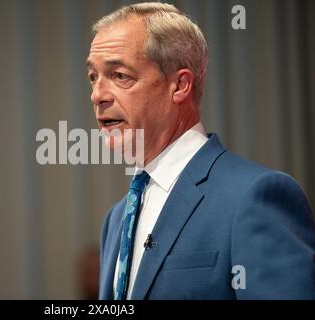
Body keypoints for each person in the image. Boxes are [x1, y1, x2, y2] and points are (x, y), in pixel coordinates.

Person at [86, 2, 315, 299]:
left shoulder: (255, 196)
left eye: (120, 75)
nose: (98, 95)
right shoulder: (116, 220)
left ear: (180, 85)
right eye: (93, 77)